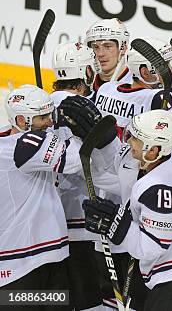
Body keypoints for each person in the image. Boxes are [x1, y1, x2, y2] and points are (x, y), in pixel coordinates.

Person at [82, 110, 172, 311]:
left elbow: (151, 247)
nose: (129, 141)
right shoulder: (164, 155)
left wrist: (116, 225)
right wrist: (106, 143)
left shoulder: (161, 188)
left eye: (135, 138)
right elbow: (119, 166)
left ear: (153, 150)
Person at [0, 84, 117, 311]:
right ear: (23, 121)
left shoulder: (15, 135)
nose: (50, 122)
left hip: (49, 256)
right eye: (43, 117)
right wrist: (87, 128)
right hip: (18, 267)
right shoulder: (21, 147)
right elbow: (77, 159)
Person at [49, 41, 107, 310]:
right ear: (86, 73)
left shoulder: (38, 107)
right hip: (85, 222)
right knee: (91, 302)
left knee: (54, 300)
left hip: (47, 226)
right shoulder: (91, 109)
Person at [84, 18, 131, 93]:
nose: (100, 54)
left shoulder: (136, 85)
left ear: (123, 48)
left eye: (107, 46)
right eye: (96, 47)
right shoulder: (83, 85)